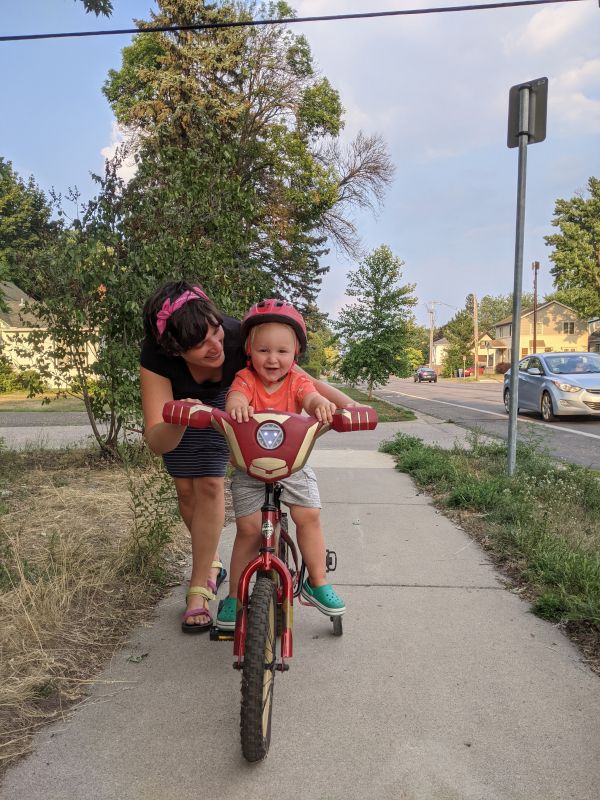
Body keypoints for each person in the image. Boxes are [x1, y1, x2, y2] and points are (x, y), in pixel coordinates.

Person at [140, 281, 359, 633]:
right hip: (188, 410)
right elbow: (161, 438)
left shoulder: (242, 338)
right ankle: (220, 576)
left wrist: (347, 407)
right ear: (174, 349)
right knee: (195, 495)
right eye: (200, 344)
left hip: (257, 427)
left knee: (214, 485)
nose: (216, 345)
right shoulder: (161, 357)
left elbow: (303, 383)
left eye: (215, 333)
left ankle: (209, 589)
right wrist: (190, 413)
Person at [216, 299, 346, 631]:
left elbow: (311, 396)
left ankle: (316, 580)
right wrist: (237, 406)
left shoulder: (296, 382)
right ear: (249, 350)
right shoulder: (245, 379)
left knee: (309, 516)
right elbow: (235, 398)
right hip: (251, 467)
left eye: (282, 351)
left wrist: (320, 405)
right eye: (263, 350)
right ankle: (234, 596)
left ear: (295, 354)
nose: (272, 359)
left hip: (292, 465)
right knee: (247, 529)